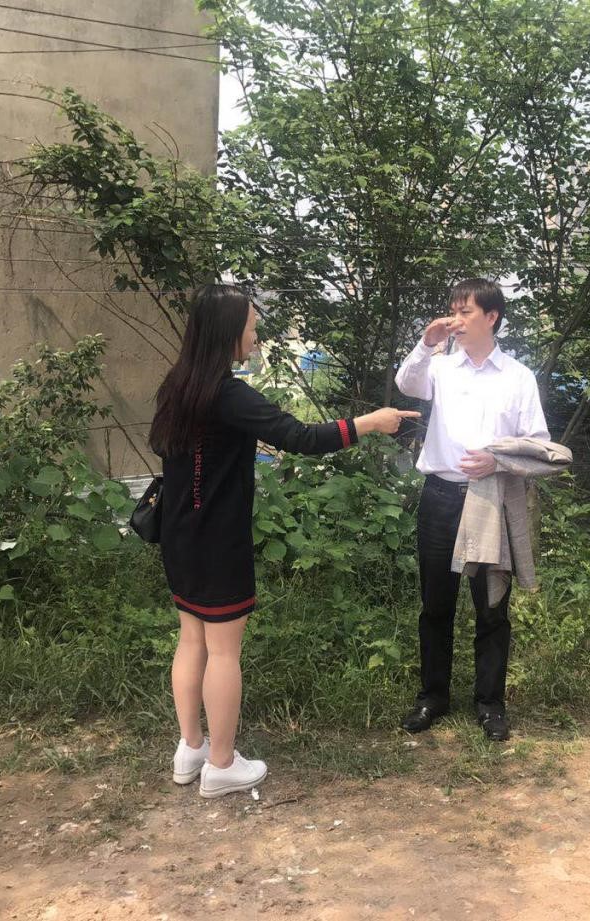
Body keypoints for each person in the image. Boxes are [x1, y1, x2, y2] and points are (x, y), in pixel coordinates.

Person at [151, 284, 416, 798]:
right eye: (251, 326)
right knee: (223, 652)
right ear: (228, 333)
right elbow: (301, 437)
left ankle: (191, 748)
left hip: (178, 534)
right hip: (218, 541)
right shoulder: (228, 394)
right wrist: (369, 423)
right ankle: (221, 765)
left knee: (191, 639)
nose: (255, 336)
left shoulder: (178, 384)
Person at [394, 278, 549, 742]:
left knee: (492, 606)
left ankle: (490, 704)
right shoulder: (441, 367)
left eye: (465, 312)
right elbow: (407, 384)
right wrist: (426, 343)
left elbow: (537, 445)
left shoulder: (517, 377)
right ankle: (432, 697)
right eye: (453, 311)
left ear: (492, 317)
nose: (455, 320)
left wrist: (496, 461)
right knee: (435, 604)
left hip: (491, 498)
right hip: (441, 495)